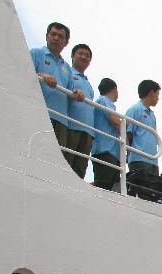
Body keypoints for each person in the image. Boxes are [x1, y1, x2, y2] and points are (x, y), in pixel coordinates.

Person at [29, 22, 84, 163]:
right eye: (53, 34)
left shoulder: (66, 67)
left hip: (62, 120)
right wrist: (42, 74)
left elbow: (71, 92)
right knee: (35, 155)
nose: (56, 38)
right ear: (47, 36)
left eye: (60, 36)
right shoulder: (37, 53)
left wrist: (77, 92)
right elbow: (23, 75)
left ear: (66, 43)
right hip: (40, 112)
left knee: (56, 162)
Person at [65, 43, 94, 178]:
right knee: (67, 164)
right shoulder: (67, 72)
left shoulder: (88, 84)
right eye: (80, 54)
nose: (84, 57)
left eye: (87, 55)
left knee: (80, 169)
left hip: (87, 131)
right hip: (72, 126)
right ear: (72, 56)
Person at [91, 78, 121, 191]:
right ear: (114, 89)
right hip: (104, 150)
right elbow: (115, 121)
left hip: (113, 152)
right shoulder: (103, 100)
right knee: (104, 185)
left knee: (114, 187)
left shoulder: (108, 104)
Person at [125, 80, 161, 176]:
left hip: (153, 160)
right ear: (151, 92)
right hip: (138, 159)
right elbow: (127, 134)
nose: (158, 98)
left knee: (153, 190)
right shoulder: (134, 109)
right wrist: (129, 154)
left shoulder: (152, 115)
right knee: (140, 190)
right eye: (157, 94)